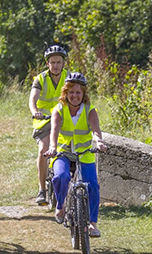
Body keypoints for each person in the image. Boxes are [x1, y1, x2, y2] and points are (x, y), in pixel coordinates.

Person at [44, 72, 107, 238]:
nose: (74, 96)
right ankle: (60, 205)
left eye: (78, 92)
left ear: (83, 93)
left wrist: (99, 142)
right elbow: (54, 131)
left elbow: (95, 130)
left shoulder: (90, 110)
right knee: (60, 177)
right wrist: (52, 147)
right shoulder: (59, 110)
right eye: (71, 92)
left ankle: (92, 224)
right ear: (65, 93)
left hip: (84, 153)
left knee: (92, 186)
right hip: (63, 152)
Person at [29, 45, 70, 206]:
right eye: (52, 62)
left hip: (64, 120)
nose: (56, 65)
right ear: (47, 64)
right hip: (44, 121)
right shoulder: (40, 79)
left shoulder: (69, 78)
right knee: (43, 149)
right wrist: (35, 111)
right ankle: (42, 190)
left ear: (63, 63)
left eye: (59, 62)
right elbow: (32, 99)